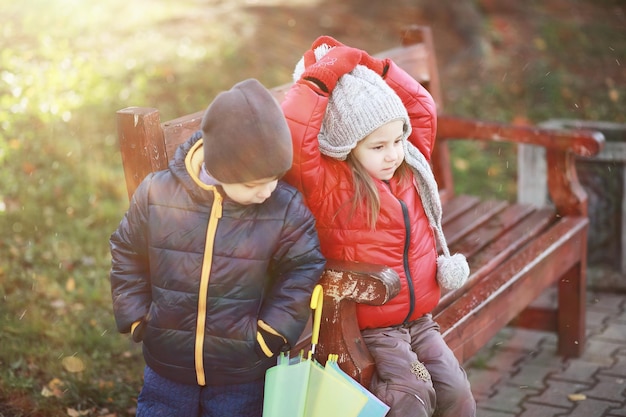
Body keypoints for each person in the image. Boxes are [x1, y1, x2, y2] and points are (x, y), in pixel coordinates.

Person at [280, 37, 476, 417]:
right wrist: (322, 79)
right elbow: (294, 132)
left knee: (457, 394)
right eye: (377, 146)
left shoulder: (410, 164)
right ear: (347, 145)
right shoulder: (330, 184)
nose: (392, 154)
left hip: (419, 319)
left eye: (397, 140)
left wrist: (376, 67)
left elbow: (421, 109)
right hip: (373, 324)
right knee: (412, 397)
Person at [109, 78, 326, 417]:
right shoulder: (158, 195)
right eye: (254, 183)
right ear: (220, 168)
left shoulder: (283, 208)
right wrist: (136, 314)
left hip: (241, 369)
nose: (267, 191)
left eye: (275, 178)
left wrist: (270, 333)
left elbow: (303, 267)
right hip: (167, 365)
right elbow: (127, 250)